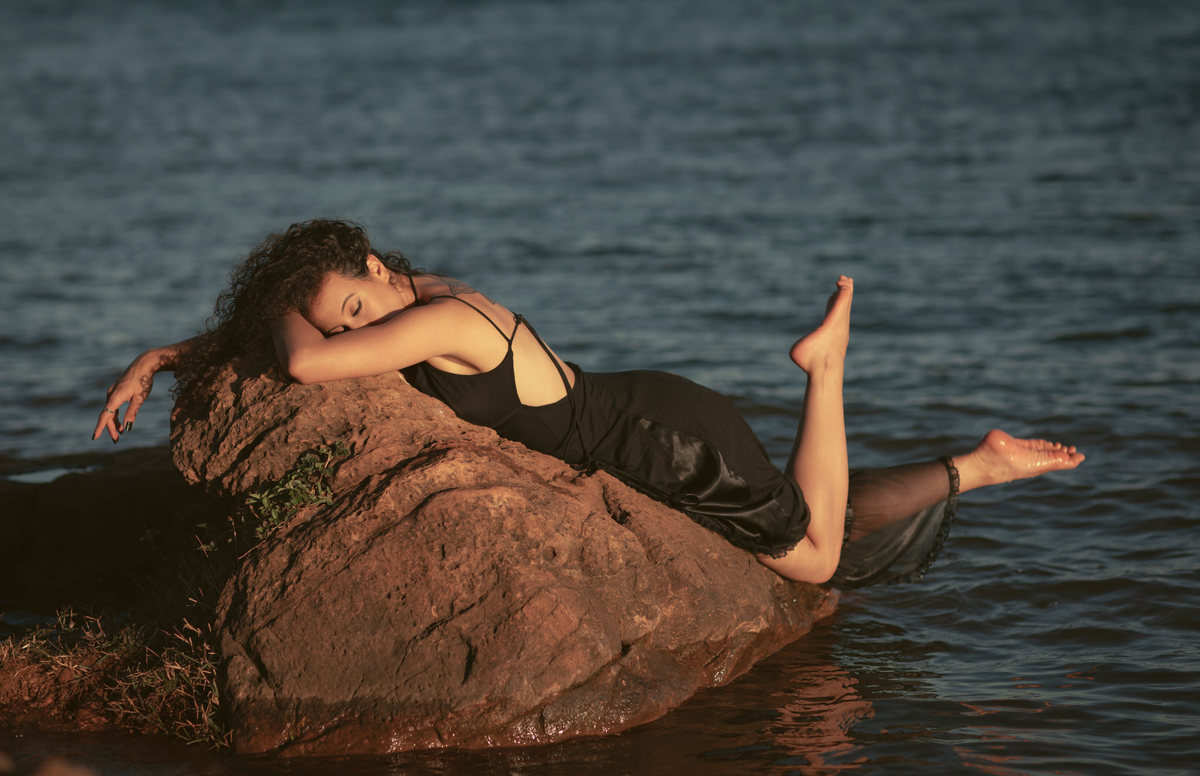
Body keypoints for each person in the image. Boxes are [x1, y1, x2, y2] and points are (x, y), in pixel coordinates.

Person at [92, 219, 1084, 587]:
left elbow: (305, 367)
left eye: (352, 306)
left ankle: (829, 368)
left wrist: (272, 310)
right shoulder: (423, 293)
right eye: (339, 319)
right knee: (799, 512)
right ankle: (976, 462)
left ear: (379, 268)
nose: (350, 334)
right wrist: (163, 352)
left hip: (662, 444)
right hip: (655, 417)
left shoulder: (441, 321)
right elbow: (319, 349)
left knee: (816, 560)